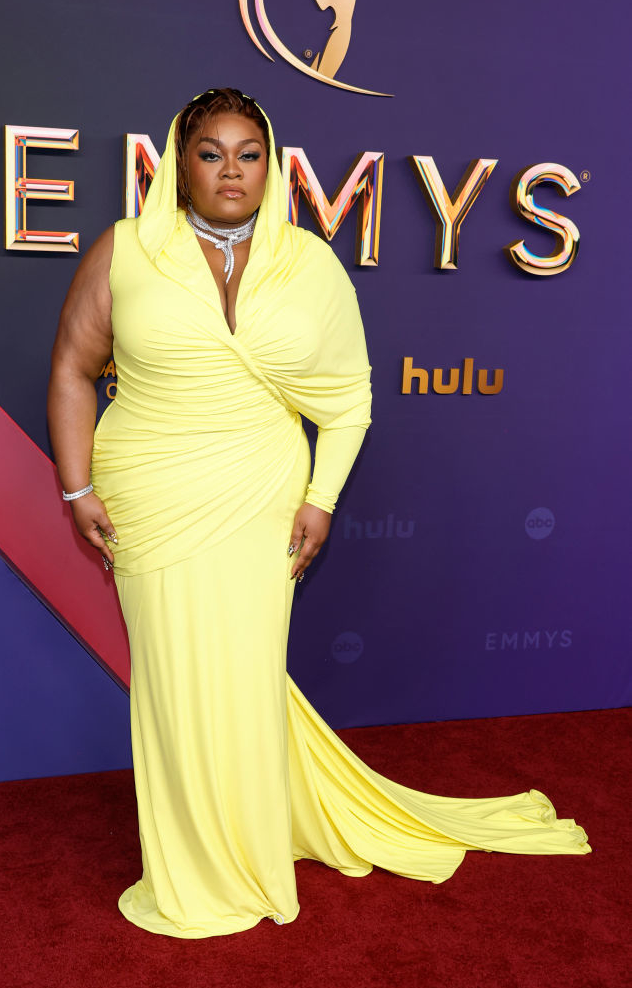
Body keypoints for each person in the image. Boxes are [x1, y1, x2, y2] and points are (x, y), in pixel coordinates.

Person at [47, 88, 590, 939]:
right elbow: (73, 369)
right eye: (211, 153)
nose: (230, 171)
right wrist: (76, 488)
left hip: (259, 496)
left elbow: (347, 401)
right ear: (179, 164)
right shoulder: (126, 250)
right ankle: (196, 864)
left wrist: (321, 498)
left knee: (243, 672)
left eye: (248, 154)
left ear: (270, 166)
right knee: (174, 677)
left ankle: (249, 838)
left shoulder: (310, 261)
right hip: (149, 496)